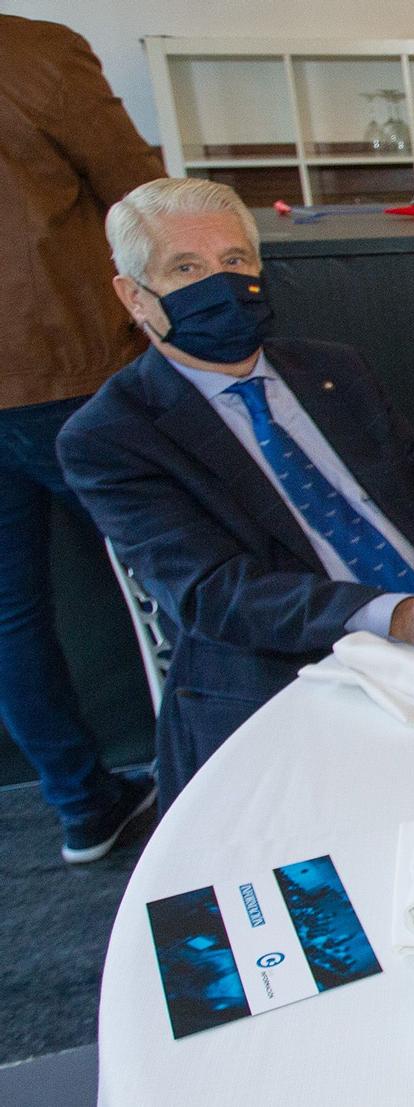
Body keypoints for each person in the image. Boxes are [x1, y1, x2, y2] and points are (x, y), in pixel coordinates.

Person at [56, 179, 414, 810]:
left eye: (235, 262)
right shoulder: (112, 435)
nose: (220, 285)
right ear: (134, 296)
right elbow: (214, 594)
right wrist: (396, 614)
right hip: (294, 672)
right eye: (186, 269)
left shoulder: (332, 369)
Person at [0, 15, 166, 863]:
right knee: (179, 574)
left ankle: (80, 804)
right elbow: (145, 202)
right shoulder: (32, 53)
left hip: (38, 375)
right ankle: (200, 779)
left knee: (10, 616)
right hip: (66, 369)